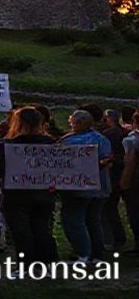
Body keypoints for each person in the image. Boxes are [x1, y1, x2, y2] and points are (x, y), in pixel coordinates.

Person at [0, 106, 58, 262]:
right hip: (44, 191)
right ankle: (47, 261)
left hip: (17, 193)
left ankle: (27, 263)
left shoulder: (9, 144)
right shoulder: (51, 143)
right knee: (42, 228)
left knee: (21, 230)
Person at [58, 110, 112, 262]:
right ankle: (96, 253)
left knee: (74, 220)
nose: (71, 126)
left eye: (73, 123)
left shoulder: (70, 140)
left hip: (77, 187)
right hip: (100, 187)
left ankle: (82, 253)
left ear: (79, 123)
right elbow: (107, 158)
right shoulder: (101, 139)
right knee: (93, 220)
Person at [100, 109, 127, 249]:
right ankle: (118, 236)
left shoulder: (109, 135)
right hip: (120, 173)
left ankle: (113, 237)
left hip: (113, 174)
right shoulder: (123, 132)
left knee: (108, 208)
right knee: (112, 208)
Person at [121, 110, 139, 253]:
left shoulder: (132, 140)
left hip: (136, 182)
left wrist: (124, 183)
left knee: (135, 213)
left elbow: (130, 163)